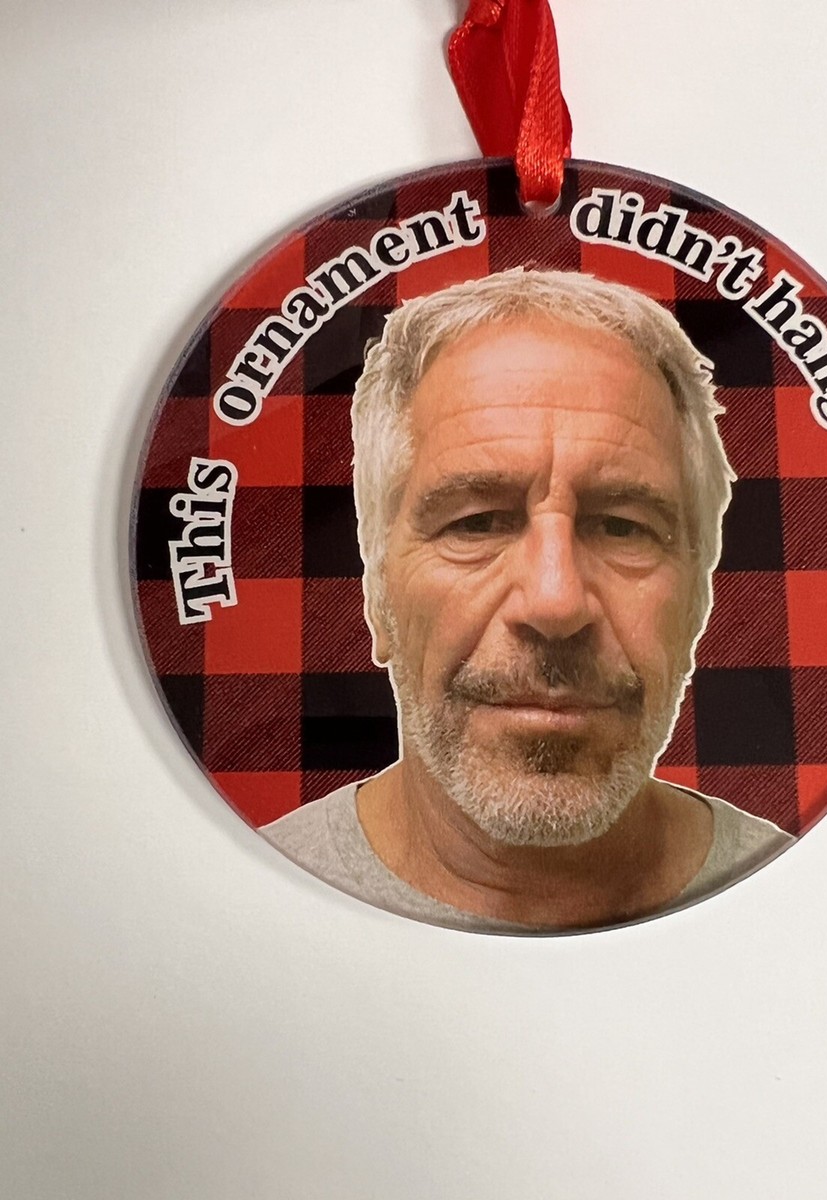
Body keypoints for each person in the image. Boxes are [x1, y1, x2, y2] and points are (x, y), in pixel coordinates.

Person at [264, 269, 793, 932]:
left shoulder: (818, 915)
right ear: (376, 593)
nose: (554, 602)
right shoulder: (236, 907)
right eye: (477, 523)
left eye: (621, 527)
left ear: (698, 598)